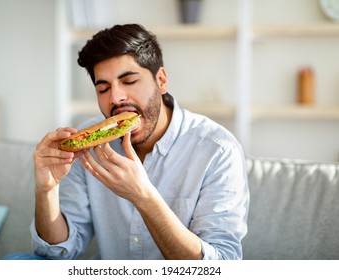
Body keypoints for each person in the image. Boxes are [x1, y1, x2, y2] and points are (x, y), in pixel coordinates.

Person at [29, 23, 249, 260]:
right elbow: (59, 254)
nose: (115, 98)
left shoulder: (217, 150)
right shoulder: (86, 145)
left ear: (161, 80)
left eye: (129, 81)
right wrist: (47, 189)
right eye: (103, 88)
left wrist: (144, 197)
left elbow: (222, 265)